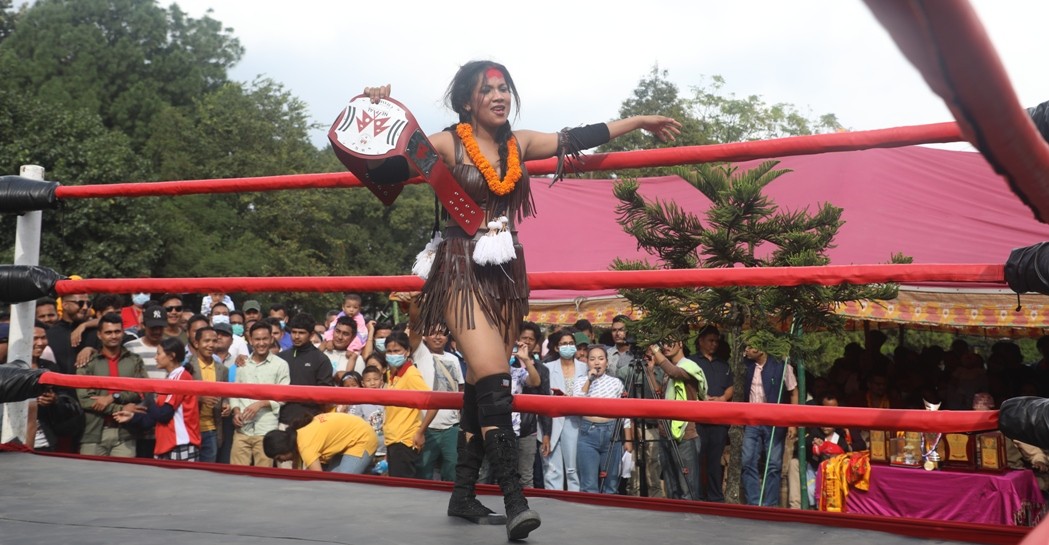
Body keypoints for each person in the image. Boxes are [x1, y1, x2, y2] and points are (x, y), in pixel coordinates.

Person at [363, 61, 678, 539]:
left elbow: (579, 137)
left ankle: (464, 495)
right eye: (487, 89)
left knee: (477, 385)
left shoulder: (521, 142)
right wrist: (375, 109)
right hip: (460, 268)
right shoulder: (447, 143)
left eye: (503, 87)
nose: (498, 95)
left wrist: (637, 121)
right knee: (493, 384)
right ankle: (515, 499)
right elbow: (383, 170)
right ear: (467, 101)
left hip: (507, 271)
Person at [113, 338, 201, 461]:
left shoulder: (180, 377)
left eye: (159, 354)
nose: (156, 357)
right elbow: (155, 418)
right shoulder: (170, 378)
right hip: (167, 444)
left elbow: (164, 415)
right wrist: (133, 417)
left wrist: (148, 394)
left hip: (180, 445)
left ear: (171, 356)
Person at [76, 313, 148, 457]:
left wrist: (114, 397)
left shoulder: (134, 360)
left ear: (123, 332)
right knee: (87, 479)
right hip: (93, 434)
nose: (113, 336)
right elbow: (85, 400)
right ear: (99, 335)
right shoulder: (87, 361)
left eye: (117, 331)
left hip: (126, 434)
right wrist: (121, 408)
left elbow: (141, 391)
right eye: (108, 332)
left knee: (124, 478)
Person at [741, 338, 799, 507]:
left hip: (774, 419)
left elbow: (793, 392)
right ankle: (754, 503)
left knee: (773, 464)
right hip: (752, 419)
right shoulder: (746, 366)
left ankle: (769, 504)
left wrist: (792, 421)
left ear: (761, 348)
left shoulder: (782, 366)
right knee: (747, 461)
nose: (748, 349)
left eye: (751, 346)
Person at [230, 322, 290, 467]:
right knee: (235, 476)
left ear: (271, 340)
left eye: (265, 339)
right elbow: (234, 392)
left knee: (264, 478)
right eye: (257, 339)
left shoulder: (281, 365)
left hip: (266, 430)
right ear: (250, 340)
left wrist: (261, 403)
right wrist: (236, 411)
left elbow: (284, 396)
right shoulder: (242, 364)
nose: (261, 343)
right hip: (242, 429)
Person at [574, 345, 632, 494]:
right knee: (588, 485)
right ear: (587, 362)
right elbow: (577, 403)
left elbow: (625, 414)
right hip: (588, 433)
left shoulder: (616, 383)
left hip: (611, 432)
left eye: (601, 358)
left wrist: (628, 440)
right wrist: (589, 379)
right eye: (592, 359)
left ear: (607, 361)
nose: (597, 363)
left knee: (611, 484)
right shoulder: (581, 381)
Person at [542, 328, 586, 491]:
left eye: (571, 343)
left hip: (575, 422)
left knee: (573, 468)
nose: (568, 346)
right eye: (564, 344)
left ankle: (576, 503)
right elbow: (543, 399)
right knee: (552, 470)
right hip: (552, 422)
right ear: (556, 348)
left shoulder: (584, 367)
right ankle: (553, 503)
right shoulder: (547, 367)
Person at [263, 412, 378, 474]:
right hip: (348, 440)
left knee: (340, 483)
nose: (281, 461)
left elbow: (320, 481)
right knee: (332, 478)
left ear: (284, 448)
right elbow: (297, 472)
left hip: (362, 438)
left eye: (279, 457)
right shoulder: (298, 436)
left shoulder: (305, 445)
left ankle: (370, 472)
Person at [693, 325, 733, 502]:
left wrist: (724, 398)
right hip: (698, 419)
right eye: (710, 340)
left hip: (719, 419)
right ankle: (699, 495)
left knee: (716, 460)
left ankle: (716, 496)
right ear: (701, 341)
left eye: (716, 341)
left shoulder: (723, 364)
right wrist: (701, 398)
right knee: (698, 458)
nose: (714, 344)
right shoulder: (691, 362)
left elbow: (731, 385)